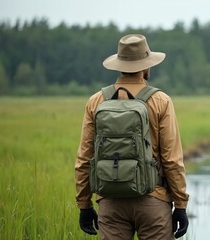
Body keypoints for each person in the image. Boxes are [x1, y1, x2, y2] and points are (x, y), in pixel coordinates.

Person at [75, 34, 189, 240]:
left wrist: (84, 205)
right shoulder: (161, 100)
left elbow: (84, 159)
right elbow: (172, 160)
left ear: (119, 65)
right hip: (154, 200)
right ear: (147, 66)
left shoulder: (96, 101)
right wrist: (180, 205)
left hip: (110, 202)